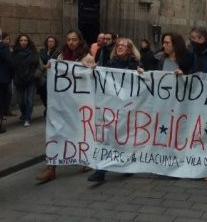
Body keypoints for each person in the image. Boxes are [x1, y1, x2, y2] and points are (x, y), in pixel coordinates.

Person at [36, 30, 96, 183]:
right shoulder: (61, 56)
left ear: (80, 41)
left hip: (79, 104)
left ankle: (86, 158)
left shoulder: (87, 56)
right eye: (68, 39)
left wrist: (88, 67)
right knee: (55, 131)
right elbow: (54, 71)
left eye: (74, 39)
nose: (71, 42)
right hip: (62, 103)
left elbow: (92, 75)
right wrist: (50, 67)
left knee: (81, 132)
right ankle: (51, 167)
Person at [88, 37, 143, 183]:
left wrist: (141, 74)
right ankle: (101, 171)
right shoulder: (110, 63)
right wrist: (95, 71)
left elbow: (142, 84)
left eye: (123, 46)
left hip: (128, 108)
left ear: (130, 49)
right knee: (109, 138)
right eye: (118, 45)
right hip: (112, 107)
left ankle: (127, 164)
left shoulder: (135, 64)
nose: (120, 47)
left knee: (124, 139)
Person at [12, 34, 40, 127]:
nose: (23, 42)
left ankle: (27, 117)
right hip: (19, 79)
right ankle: (24, 114)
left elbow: (36, 63)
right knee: (20, 101)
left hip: (31, 78)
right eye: (21, 40)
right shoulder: (15, 52)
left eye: (25, 40)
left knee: (29, 99)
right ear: (18, 42)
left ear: (28, 42)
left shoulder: (33, 51)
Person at [37, 36, 61, 112]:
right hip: (44, 75)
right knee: (43, 92)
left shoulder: (58, 53)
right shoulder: (42, 52)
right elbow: (39, 61)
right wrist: (44, 66)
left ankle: (50, 108)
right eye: (49, 41)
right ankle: (47, 106)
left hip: (53, 76)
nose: (50, 43)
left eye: (52, 41)